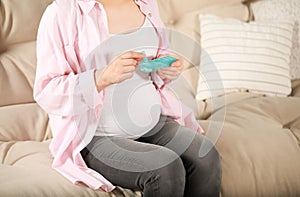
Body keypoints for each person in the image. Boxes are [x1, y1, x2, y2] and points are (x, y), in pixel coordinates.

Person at [34, 0, 222, 196]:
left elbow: (154, 68)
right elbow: (47, 90)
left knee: (206, 155)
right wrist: (101, 77)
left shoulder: (147, 4)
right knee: (166, 168)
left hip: (151, 123)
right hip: (96, 136)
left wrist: (166, 69)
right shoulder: (62, 13)